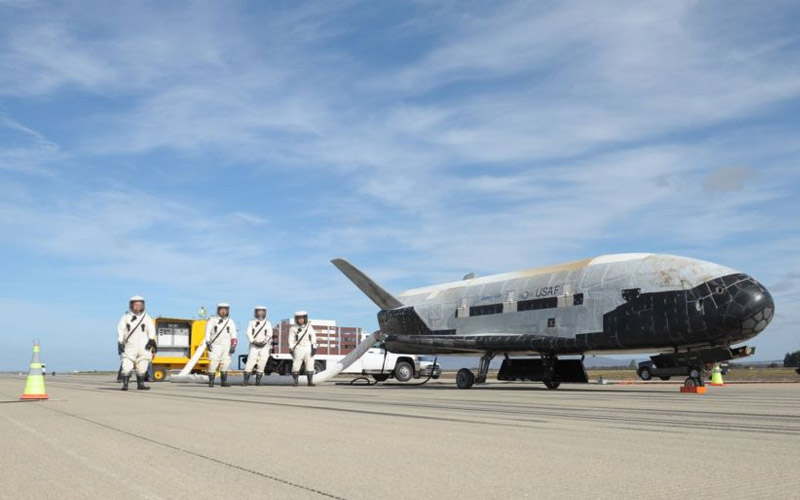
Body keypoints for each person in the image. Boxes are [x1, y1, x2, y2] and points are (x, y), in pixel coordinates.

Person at [116, 295, 157, 391]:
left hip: (144, 344)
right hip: (130, 344)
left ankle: (141, 384)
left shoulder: (147, 317)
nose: (138, 306)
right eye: (136, 305)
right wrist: (120, 342)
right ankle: (125, 384)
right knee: (127, 361)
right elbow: (120, 330)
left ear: (143, 306)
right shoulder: (126, 317)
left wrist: (151, 339)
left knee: (143, 362)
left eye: (140, 305)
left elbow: (151, 329)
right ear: (131, 306)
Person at [205, 302, 238, 387]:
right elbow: (207, 331)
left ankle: (223, 382)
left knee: (226, 363)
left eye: (225, 310)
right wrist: (207, 342)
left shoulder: (230, 321)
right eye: (221, 309)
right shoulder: (213, 320)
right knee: (213, 363)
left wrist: (233, 345)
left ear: (228, 311)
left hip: (227, 346)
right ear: (218, 310)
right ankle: (211, 382)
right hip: (215, 345)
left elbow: (233, 334)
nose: (223, 311)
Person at [243, 305, 272, 386]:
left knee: (262, 362)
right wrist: (253, 341)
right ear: (256, 312)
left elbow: (269, 333)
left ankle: (258, 381)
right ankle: (245, 381)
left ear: (265, 312)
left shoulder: (268, 323)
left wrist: (265, 342)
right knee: (250, 362)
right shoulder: (251, 322)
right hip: (254, 345)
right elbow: (248, 333)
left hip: (264, 346)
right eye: (259, 311)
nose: (260, 313)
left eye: (262, 311)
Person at [288, 311, 317, 387]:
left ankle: (310, 382)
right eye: (299, 318)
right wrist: (291, 348)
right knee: (296, 365)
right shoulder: (293, 328)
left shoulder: (309, 327)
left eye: (302, 318)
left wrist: (314, 347)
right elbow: (291, 339)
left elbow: (313, 337)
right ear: (296, 319)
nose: (301, 320)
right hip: (298, 348)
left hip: (308, 348)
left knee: (310, 364)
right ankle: (295, 382)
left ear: (305, 318)